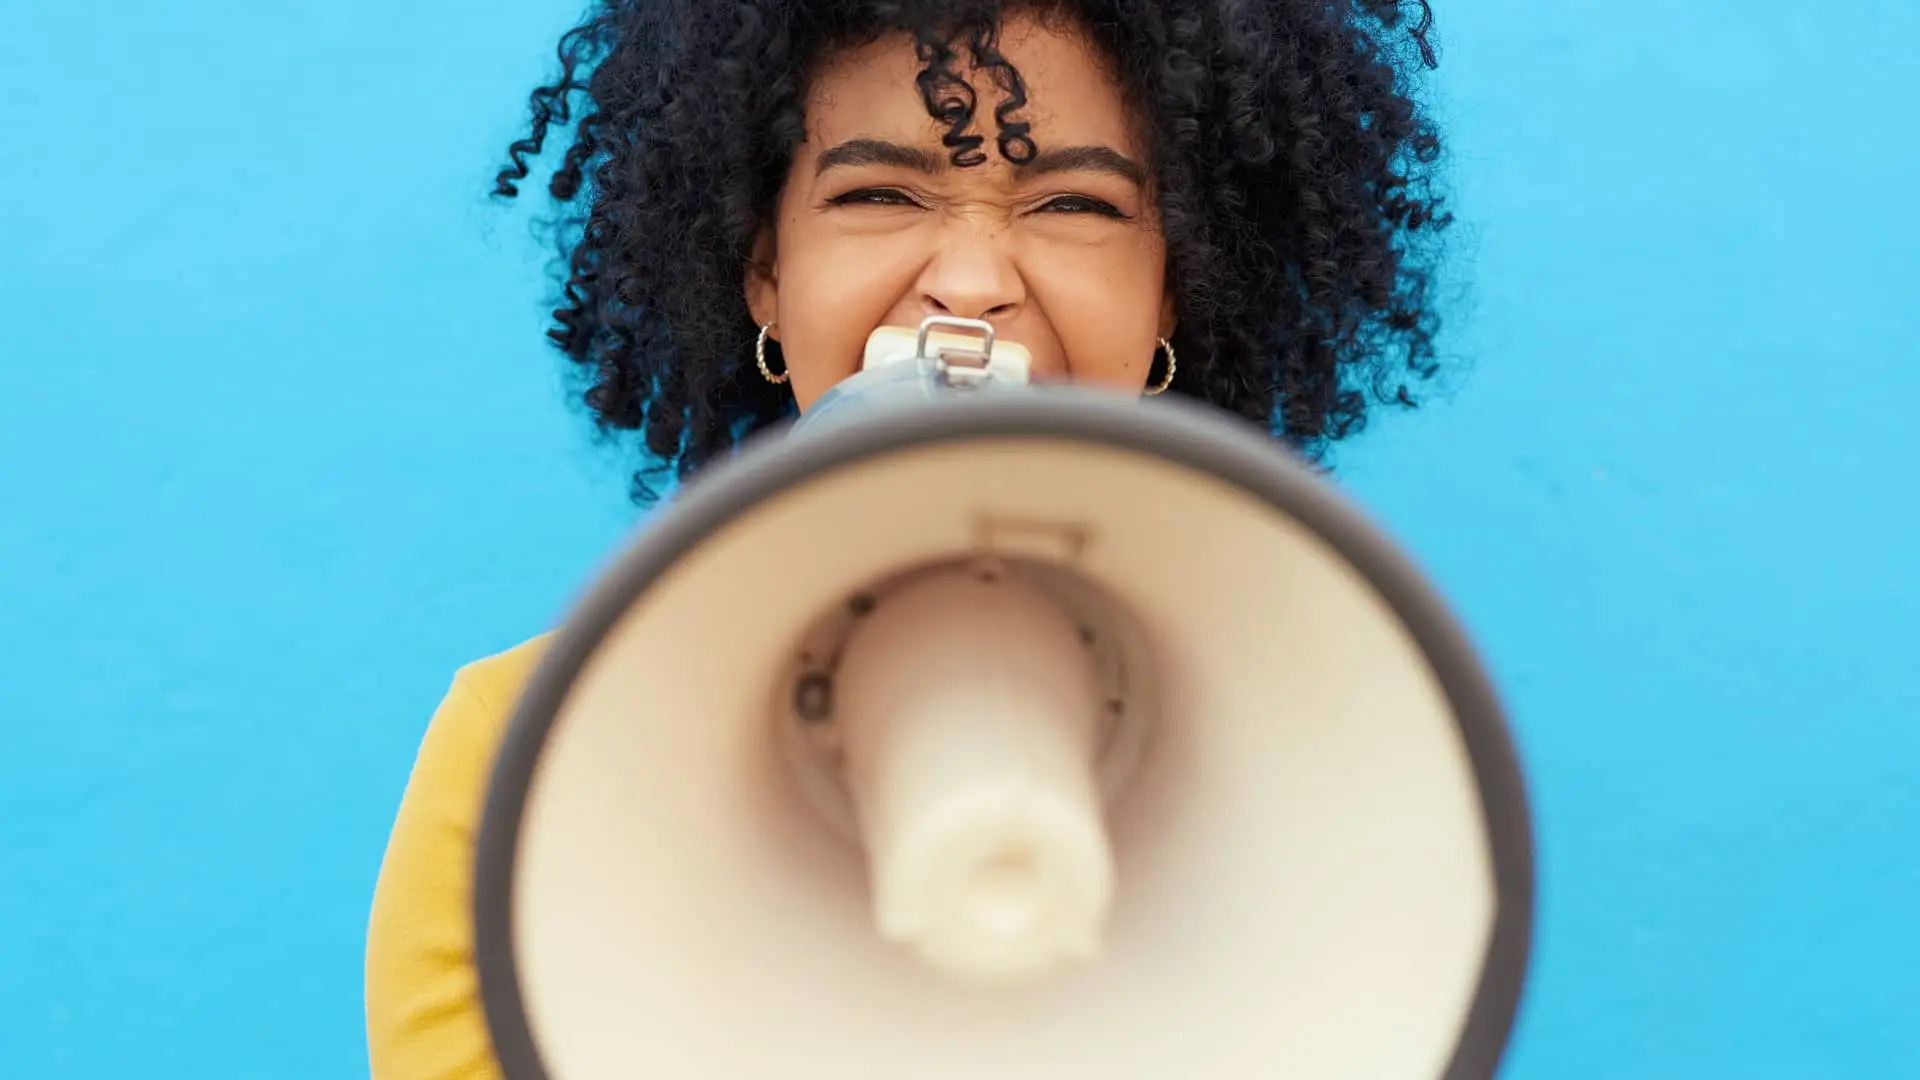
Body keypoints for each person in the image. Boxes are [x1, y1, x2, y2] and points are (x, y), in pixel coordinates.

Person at [364, 1, 1453, 1076]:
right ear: (765, 272)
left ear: (1173, 294)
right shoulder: (522, 760)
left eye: (1077, 204)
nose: (972, 286)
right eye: (878, 192)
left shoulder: (1343, 756)